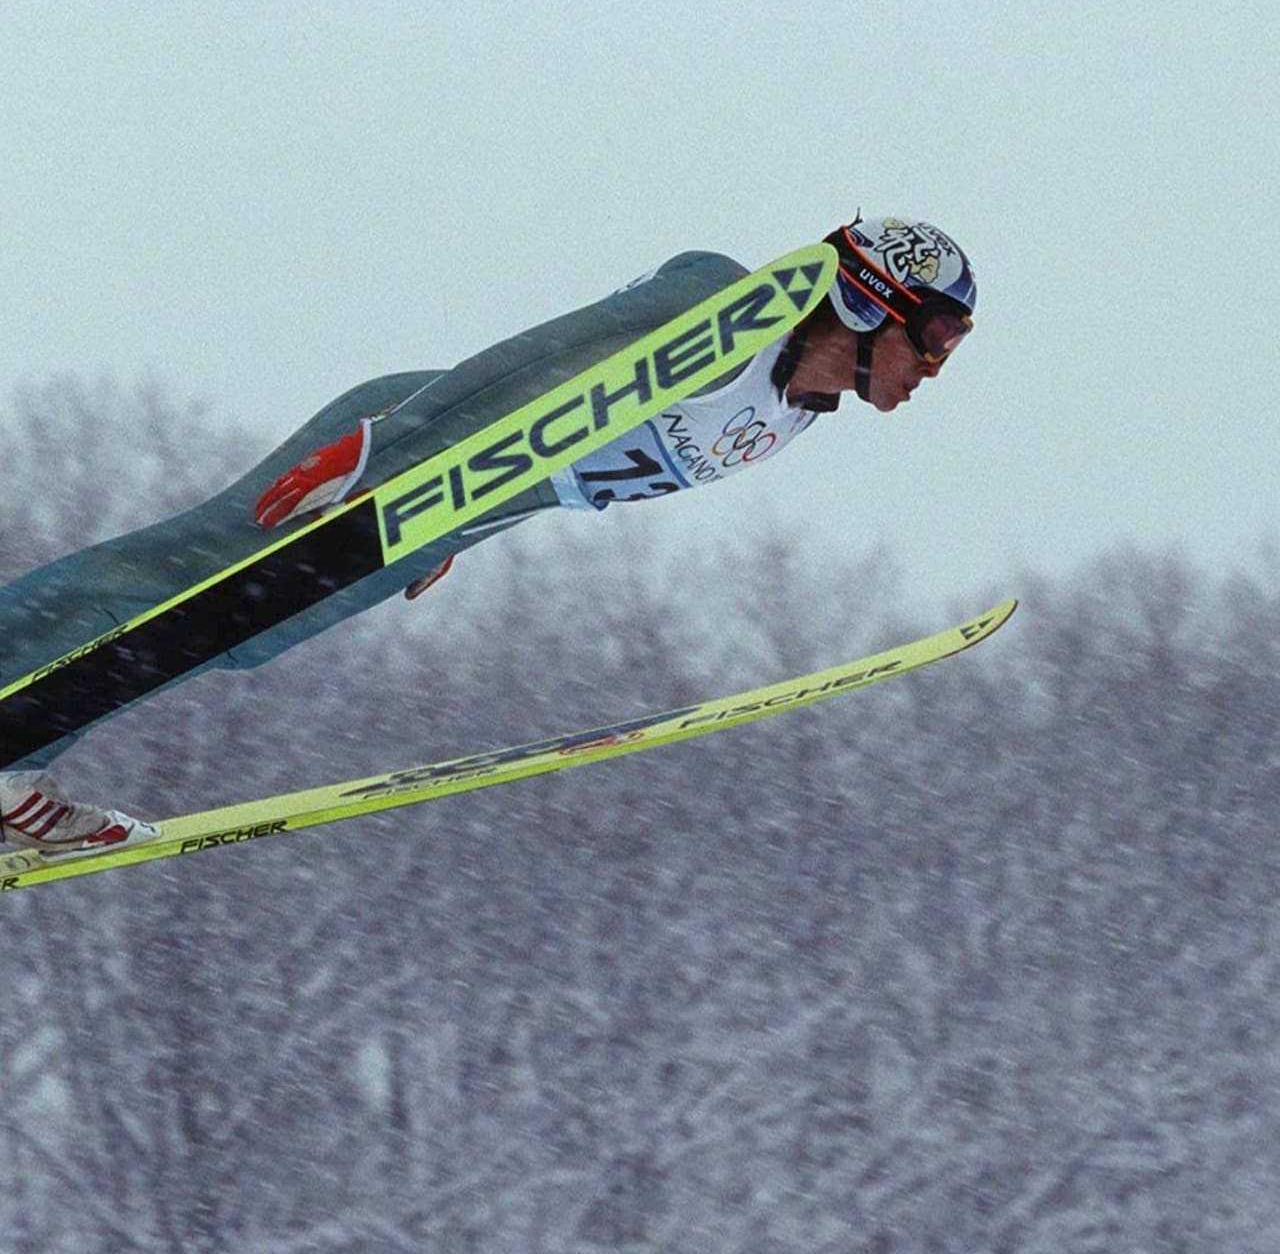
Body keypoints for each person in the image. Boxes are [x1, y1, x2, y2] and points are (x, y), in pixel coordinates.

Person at [0, 214, 977, 858]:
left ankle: (17, 758)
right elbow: (542, 367)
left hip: (463, 493)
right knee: (197, 569)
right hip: (410, 436)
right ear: (868, 297)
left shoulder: (792, 413)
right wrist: (394, 455)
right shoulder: (721, 306)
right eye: (933, 335)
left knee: (229, 630)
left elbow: (573, 463)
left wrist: (460, 519)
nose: (934, 366)